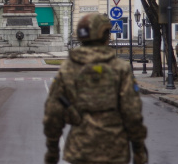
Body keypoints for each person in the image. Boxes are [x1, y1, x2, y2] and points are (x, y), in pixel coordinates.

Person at [43, 13, 148, 164]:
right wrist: (138, 150)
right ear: (105, 35)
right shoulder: (120, 68)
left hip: (80, 150)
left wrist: (52, 151)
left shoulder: (68, 68)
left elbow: (53, 113)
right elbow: (132, 112)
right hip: (115, 150)